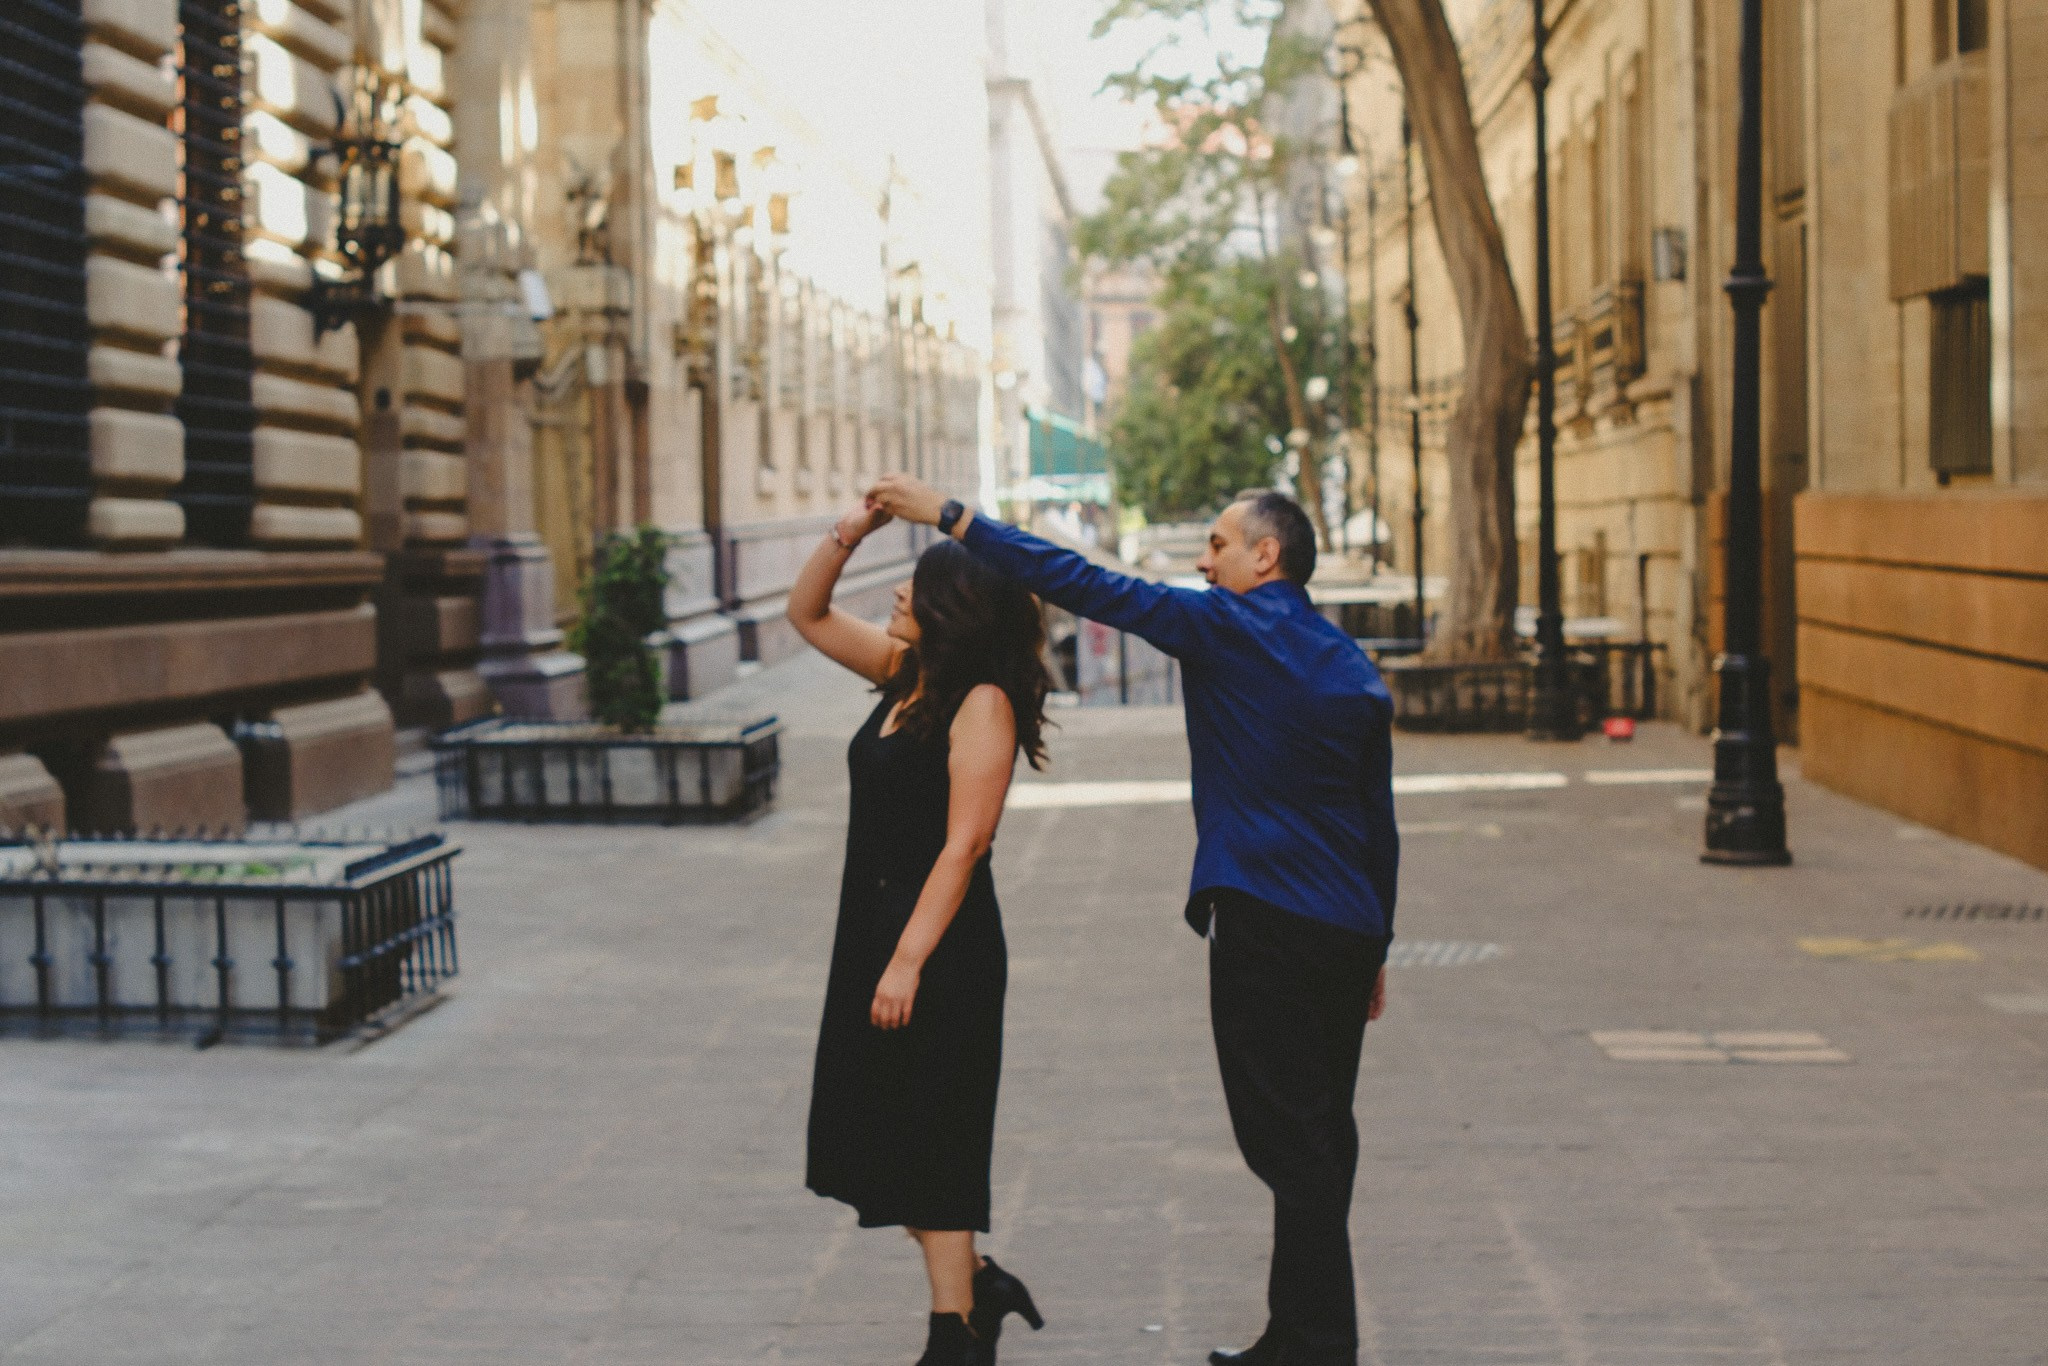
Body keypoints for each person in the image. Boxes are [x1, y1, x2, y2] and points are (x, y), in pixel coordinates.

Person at [865, 476, 1398, 1366]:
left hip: (1268, 922)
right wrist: (1376, 941)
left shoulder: (1223, 628)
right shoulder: (1351, 666)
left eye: (1219, 544)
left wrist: (954, 518)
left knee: (1289, 1141)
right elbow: (1375, 819)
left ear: (1267, 556)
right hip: (1343, 929)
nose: (1203, 558)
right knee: (1321, 1136)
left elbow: (1081, 580)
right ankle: (1298, 1337)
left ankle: (1319, 1346)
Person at [786, 502, 1051, 1366]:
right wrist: (847, 533)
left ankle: (955, 1335)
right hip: (874, 930)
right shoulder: (910, 673)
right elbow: (808, 614)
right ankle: (979, 1285)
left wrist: (907, 960)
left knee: (934, 1134)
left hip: (941, 947)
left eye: (921, 584)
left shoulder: (981, 703)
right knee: (882, 1135)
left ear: (958, 607)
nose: (900, 591)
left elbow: (966, 843)